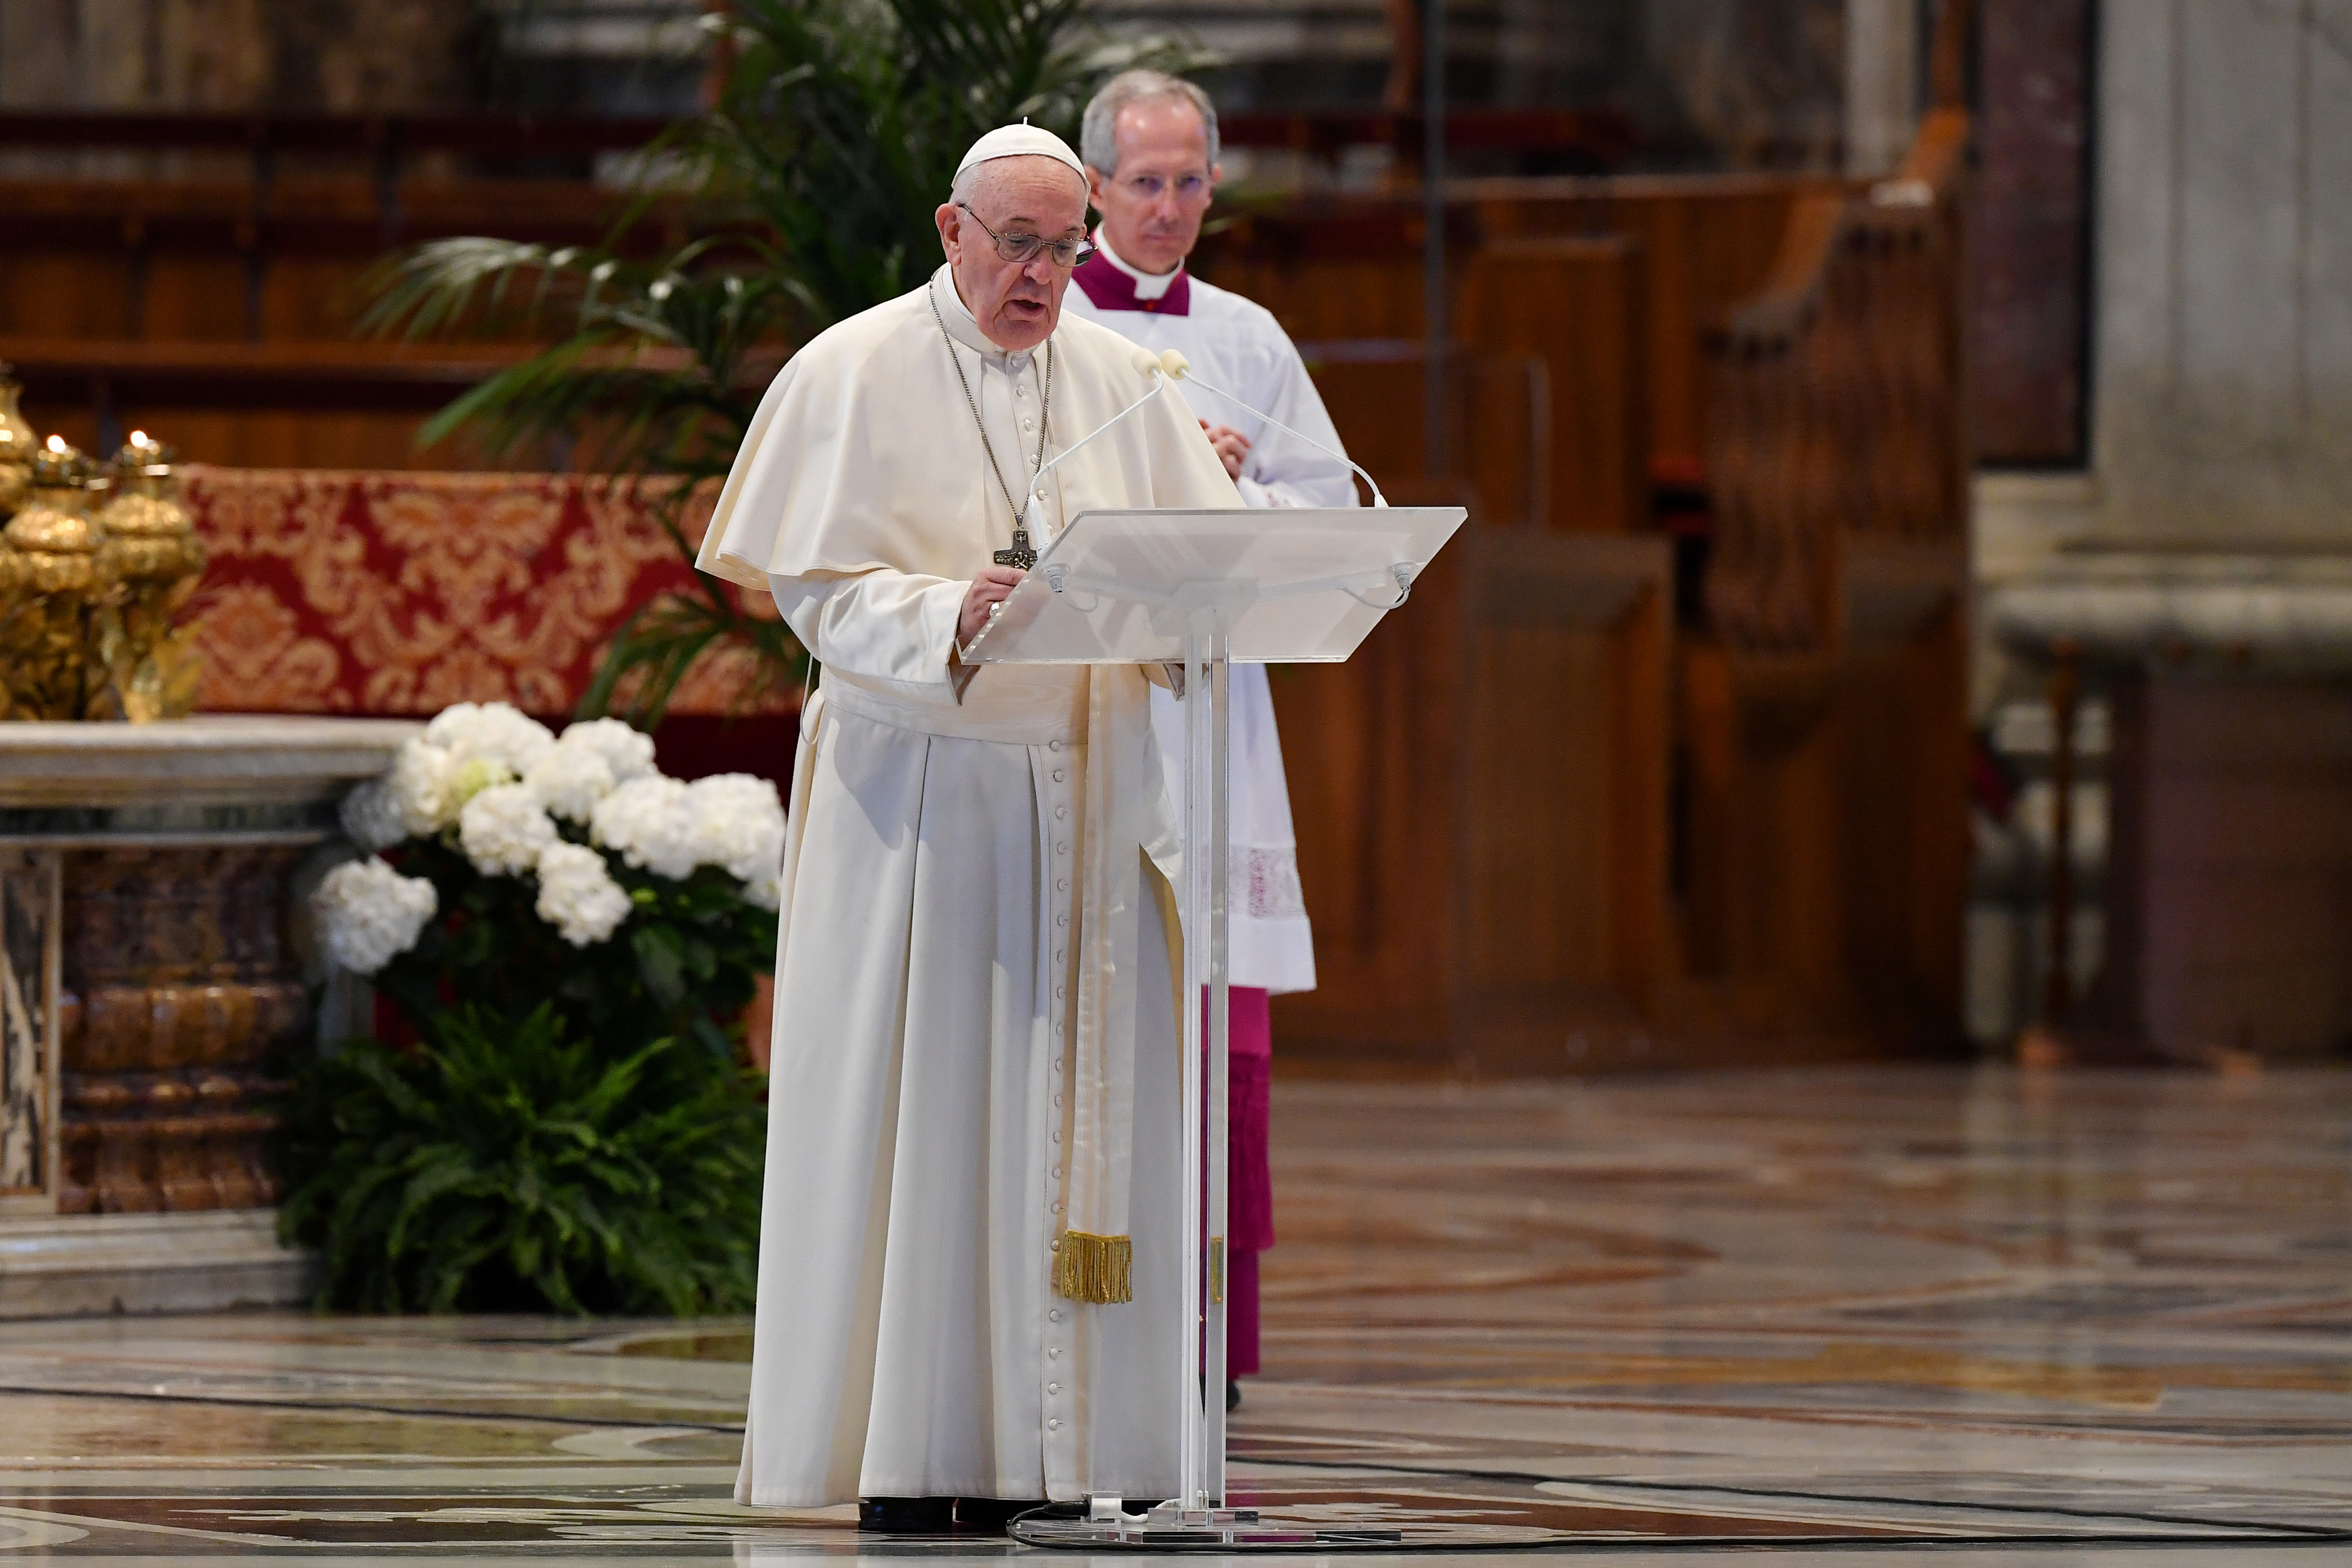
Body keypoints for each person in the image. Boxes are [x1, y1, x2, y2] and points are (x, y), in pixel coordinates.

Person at [695, 122, 1243, 1530]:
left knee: (1077, 1125)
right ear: (952, 230)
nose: (1047, 273)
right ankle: (918, 1452)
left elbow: (1195, 582)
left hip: (1092, 798)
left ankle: (1085, 1455)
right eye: (1020, 243)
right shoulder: (853, 368)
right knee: (931, 1123)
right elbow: (811, 592)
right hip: (926, 811)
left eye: (1066, 247)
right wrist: (948, 611)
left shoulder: (1127, 382)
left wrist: (1207, 574)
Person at [1064, 70, 1350, 1409]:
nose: (1170, 208)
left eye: (1189, 183)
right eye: (1145, 184)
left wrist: (1232, 470)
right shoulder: (1039, 317)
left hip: (1215, 709)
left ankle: (1203, 1338)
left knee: (1213, 1017)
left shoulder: (1244, 332)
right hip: (1087, 702)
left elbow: (1327, 503)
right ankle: (1072, 1316)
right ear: (1093, 191)